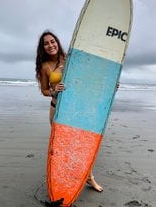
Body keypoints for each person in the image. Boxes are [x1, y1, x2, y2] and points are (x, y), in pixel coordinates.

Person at [35, 31, 103, 192]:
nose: (50, 45)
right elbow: (44, 90)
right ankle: (61, 177)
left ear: (57, 42)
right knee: (61, 147)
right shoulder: (44, 66)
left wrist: (109, 85)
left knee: (81, 146)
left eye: (53, 41)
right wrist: (54, 91)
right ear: (42, 48)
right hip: (56, 110)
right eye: (46, 43)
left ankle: (89, 178)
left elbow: (89, 79)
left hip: (75, 110)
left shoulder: (70, 59)